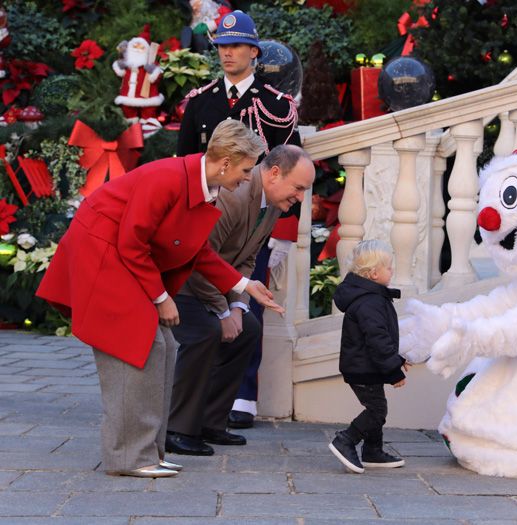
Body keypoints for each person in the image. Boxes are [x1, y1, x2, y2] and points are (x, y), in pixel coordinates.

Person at [36, 120, 284, 478]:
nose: (248, 178)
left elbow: (195, 250)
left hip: (121, 255)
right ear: (226, 161)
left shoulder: (201, 184)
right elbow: (131, 242)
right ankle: (128, 458)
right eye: (246, 169)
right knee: (136, 348)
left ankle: (150, 450)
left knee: (164, 345)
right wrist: (161, 297)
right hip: (102, 254)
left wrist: (244, 285)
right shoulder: (168, 178)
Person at [177, 9, 300, 430]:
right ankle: (201, 396)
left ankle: (242, 396)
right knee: (200, 305)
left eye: (234, 46)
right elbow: (184, 165)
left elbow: (291, 170)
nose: (227, 53)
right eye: (221, 47)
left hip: (253, 224)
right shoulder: (200, 101)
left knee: (249, 306)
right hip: (204, 217)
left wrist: (283, 236)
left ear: (253, 51)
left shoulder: (275, 104)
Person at [167, 144, 315, 455]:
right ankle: (177, 429)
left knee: (248, 328)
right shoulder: (232, 198)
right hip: (181, 282)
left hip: (214, 284)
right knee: (206, 333)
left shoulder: (274, 201)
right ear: (274, 173)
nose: (301, 198)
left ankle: (210, 422)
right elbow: (196, 258)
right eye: (298, 188)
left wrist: (236, 306)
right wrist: (223, 313)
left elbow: (248, 258)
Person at [328, 240, 409, 474]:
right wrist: (394, 371)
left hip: (367, 365)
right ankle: (346, 440)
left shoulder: (372, 298)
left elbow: (380, 339)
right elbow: (377, 340)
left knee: (376, 405)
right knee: (377, 410)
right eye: (388, 267)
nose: (391, 271)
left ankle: (373, 451)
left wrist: (398, 359)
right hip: (363, 367)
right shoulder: (369, 302)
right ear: (374, 273)